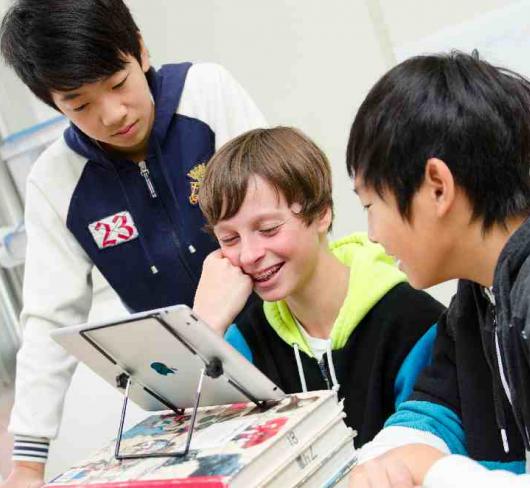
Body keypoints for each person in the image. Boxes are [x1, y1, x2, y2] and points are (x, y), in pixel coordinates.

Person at [0, 0, 265, 485]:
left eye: (119, 83)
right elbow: (47, 319)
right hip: (194, 395)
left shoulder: (206, 94)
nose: (113, 114)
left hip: (283, 339)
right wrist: (26, 463)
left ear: (140, 49)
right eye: (79, 105)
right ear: (53, 103)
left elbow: (280, 216)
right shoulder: (55, 180)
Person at [192, 126, 444, 448]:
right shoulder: (241, 341)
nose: (249, 254)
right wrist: (204, 326)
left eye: (268, 229)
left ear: (322, 214)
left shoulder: (415, 323)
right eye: (229, 239)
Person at [347, 52, 530, 487]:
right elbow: (436, 405)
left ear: (437, 187)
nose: (372, 235)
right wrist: (385, 462)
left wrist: (437, 472)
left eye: (371, 205)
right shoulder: (477, 298)